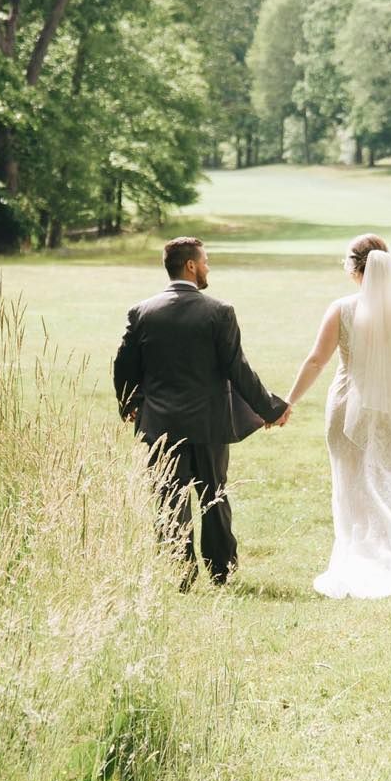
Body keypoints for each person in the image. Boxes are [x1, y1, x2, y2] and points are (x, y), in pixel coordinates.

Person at [285, 233, 391, 599]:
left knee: (352, 486)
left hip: (349, 406)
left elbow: (317, 360)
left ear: (353, 268)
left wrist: (289, 401)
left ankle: (360, 557)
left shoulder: (342, 309)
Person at [113, 236, 289, 586]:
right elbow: (238, 369)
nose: (208, 267)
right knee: (213, 495)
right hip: (209, 423)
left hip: (159, 424)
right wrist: (270, 409)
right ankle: (221, 572)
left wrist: (129, 403)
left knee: (168, 498)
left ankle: (181, 573)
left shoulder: (142, 312)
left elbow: (123, 365)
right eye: (205, 261)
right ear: (191, 265)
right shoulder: (219, 312)